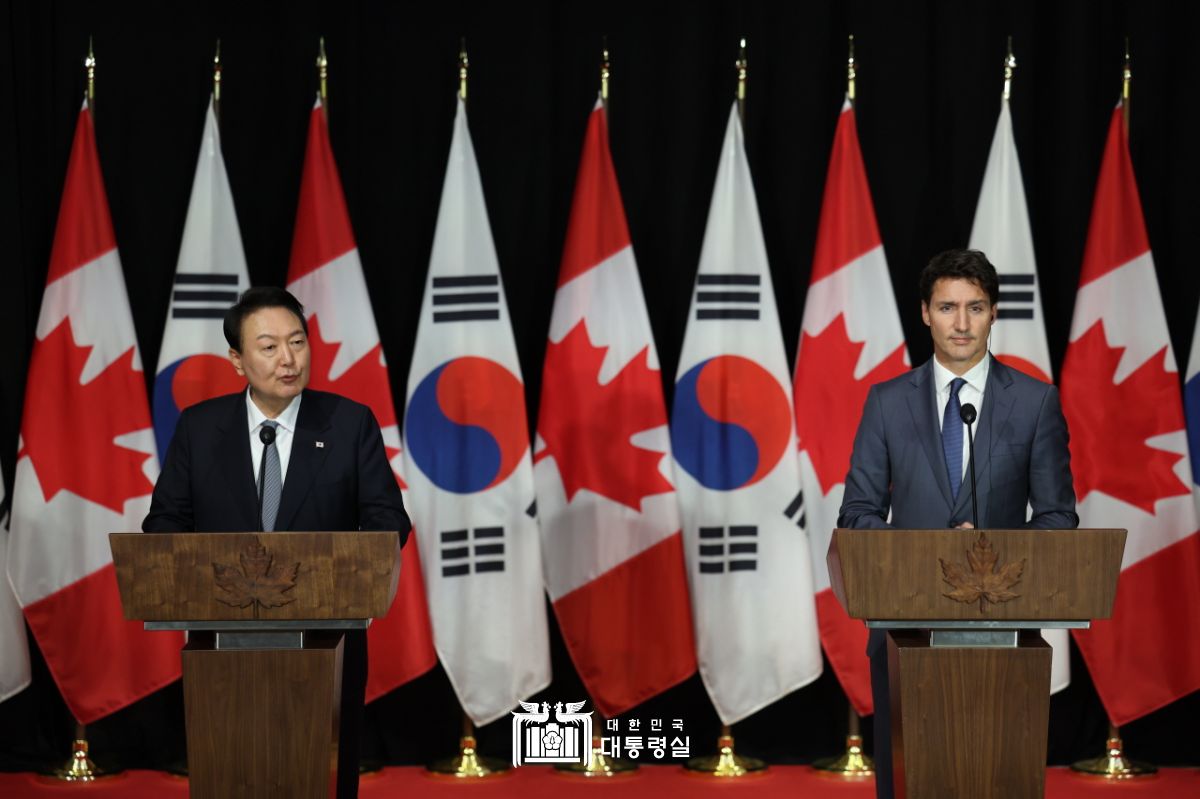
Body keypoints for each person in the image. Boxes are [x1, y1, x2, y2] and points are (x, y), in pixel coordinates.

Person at [144, 286, 409, 799]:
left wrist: (344, 566)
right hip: (223, 650)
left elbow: (387, 520)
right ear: (237, 359)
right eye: (268, 347)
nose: (287, 359)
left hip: (326, 640)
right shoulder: (200, 428)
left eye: (297, 342)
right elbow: (165, 524)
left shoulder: (348, 423)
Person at [837, 249, 1077, 799]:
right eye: (948, 307)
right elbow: (857, 514)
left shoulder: (1036, 402)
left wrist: (992, 551)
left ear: (994, 313)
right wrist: (926, 554)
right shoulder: (886, 402)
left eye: (975, 307)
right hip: (903, 629)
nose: (962, 323)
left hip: (1002, 630)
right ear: (925, 313)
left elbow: (1058, 517)